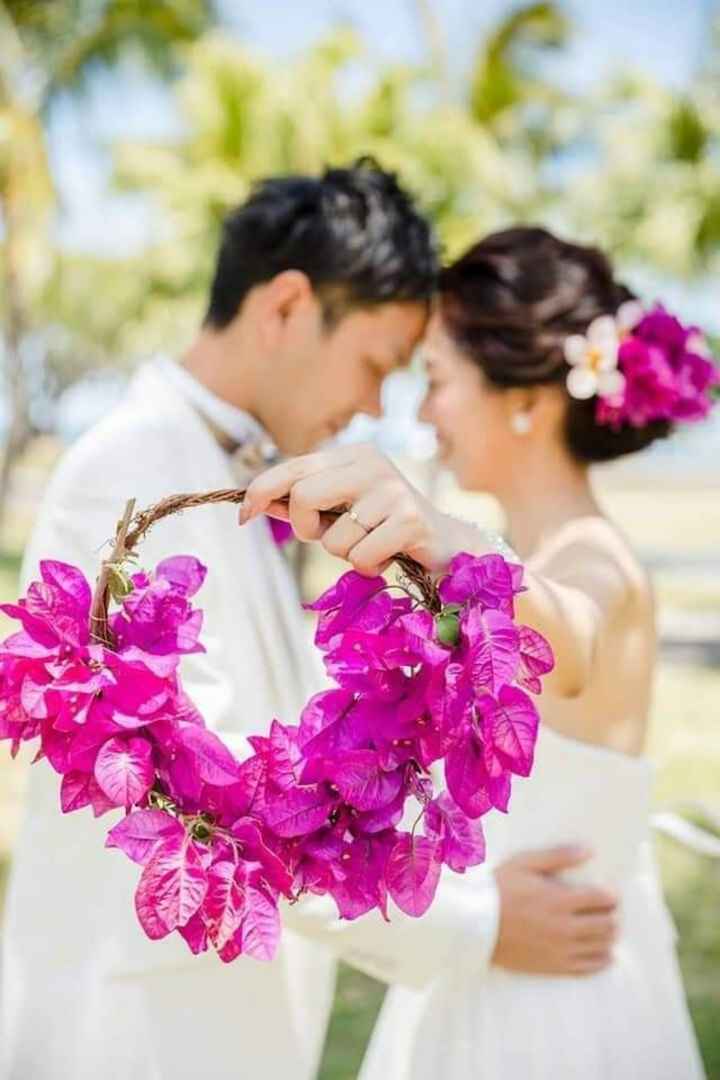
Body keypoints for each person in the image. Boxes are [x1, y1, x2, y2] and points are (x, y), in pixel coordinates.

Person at [0, 168, 617, 1080]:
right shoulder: (129, 461)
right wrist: (479, 923)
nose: (377, 407)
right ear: (288, 305)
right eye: (376, 364)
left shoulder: (244, 474)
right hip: (134, 1038)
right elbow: (218, 789)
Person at [242, 226, 712, 1079]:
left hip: (556, 1016)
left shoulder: (593, 561)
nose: (421, 414)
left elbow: (569, 629)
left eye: (436, 381)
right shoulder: (564, 551)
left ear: (528, 401)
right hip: (503, 969)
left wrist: (453, 544)